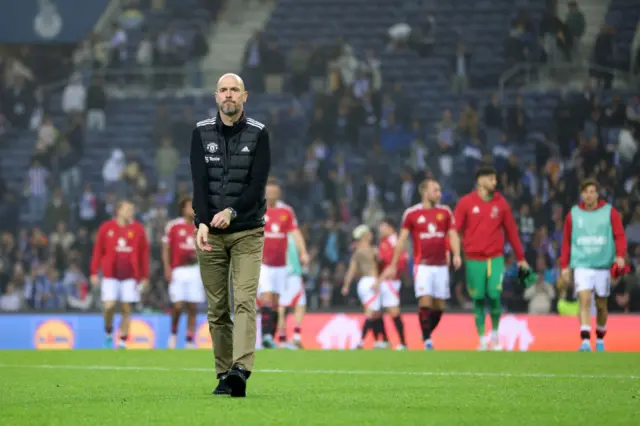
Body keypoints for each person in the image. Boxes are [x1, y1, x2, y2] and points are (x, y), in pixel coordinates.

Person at [191, 73, 271, 398]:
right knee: (217, 309)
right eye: (223, 90)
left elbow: (257, 185)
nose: (228, 95)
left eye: (234, 90)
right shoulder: (199, 133)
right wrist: (201, 222)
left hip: (248, 231)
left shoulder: (259, 134)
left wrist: (232, 212)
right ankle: (224, 374)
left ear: (244, 96)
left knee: (245, 300)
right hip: (210, 233)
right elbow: (198, 183)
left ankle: (241, 369)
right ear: (216, 96)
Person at [453, 165, 528, 351]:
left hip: (495, 257)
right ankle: (482, 339)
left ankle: (494, 335)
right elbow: (455, 230)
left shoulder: (501, 203)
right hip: (473, 258)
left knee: (494, 295)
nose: (495, 182)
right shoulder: (465, 203)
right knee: (478, 298)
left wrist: (521, 258)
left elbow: (512, 232)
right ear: (480, 180)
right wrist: (455, 253)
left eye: (495, 179)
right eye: (491, 179)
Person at [382, 179, 461, 350]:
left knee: (439, 306)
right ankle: (427, 340)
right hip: (422, 265)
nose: (439, 194)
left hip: (441, 265)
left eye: (439, 190)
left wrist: (456, 254)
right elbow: (402, 240)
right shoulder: (412, 214)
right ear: (425, 192)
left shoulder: (445, 212)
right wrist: (394, 264)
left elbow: (453, 234)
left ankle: (426, 331)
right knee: (425, 302)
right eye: (436, 190)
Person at [559, 179, 627, 352]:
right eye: (585, 192)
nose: (588, 195)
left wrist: (619, 256)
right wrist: (564, 266)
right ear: (581, 194)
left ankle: (601, 337)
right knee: (584, 299)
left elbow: (619, 235)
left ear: (597, 193)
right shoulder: (573, 214)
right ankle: (585, 340)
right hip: (581, 264)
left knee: (601, 304)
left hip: (603, 265)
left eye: (592, 191)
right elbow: (566, 242)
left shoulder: (609, 212)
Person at [90, 200, 149, 349]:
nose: (131, 212)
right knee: (109, 306)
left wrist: (145, 276)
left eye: (132, 209)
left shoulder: (138, 229)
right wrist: (93, 272)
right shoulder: (106, 228)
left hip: (130, 276)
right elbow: (98, 251)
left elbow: (144, 254)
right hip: (110, 275)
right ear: (119, 211)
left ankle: (122, 341)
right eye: (128, 209)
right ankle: (109, 332)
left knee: (126, 308)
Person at [258, 179, 309, 348]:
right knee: (266, 296)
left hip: (281, 265)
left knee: (275, 301)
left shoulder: (286, 211)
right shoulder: (256, 208)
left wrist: (303, 252)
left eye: (274, 191)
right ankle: (265, 334)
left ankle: (270, 338)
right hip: (262, 263)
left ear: (278, 193)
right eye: (269, 191)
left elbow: (295, 232)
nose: (271, 194)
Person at [162, 195, 203, 349]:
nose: (192, 209)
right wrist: (167, 268)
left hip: (195, 270)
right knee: (178, 305)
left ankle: (190, 339)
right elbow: (165, 248)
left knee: (193, 306)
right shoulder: (173, 226)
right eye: (189, 206)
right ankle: (173, 335)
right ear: (183, 208)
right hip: (178, 270)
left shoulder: (201, 226)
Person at [341, 225, 388, 349]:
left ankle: (380, 340)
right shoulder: (372, 250)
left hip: (362, 283)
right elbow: (382, 262)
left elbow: (351, 270)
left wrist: (346, 285)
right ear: (365, 236)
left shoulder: (356, 252)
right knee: (372, 313)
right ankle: (361, 341)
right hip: (372, 282)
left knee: (375, 313)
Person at [376, 218, 409, 350]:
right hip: (383, 280)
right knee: (377, 310)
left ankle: (403, 343)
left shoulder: (395, 242)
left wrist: (379, 279)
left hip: (390, 281)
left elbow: (394, 265)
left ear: (390, 228)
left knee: (393, 311)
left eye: (383, 227)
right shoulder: (383, 241)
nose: (380, 230)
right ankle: (384, 340)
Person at [276, 232, 307, 349]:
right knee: (300, 304)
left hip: (278, 274)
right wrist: (304, 254)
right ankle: (296, 338)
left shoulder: (272, 233)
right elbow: (304, 257)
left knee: (281, 308)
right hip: (293, 274)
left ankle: (282, 340)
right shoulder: (294, 234)